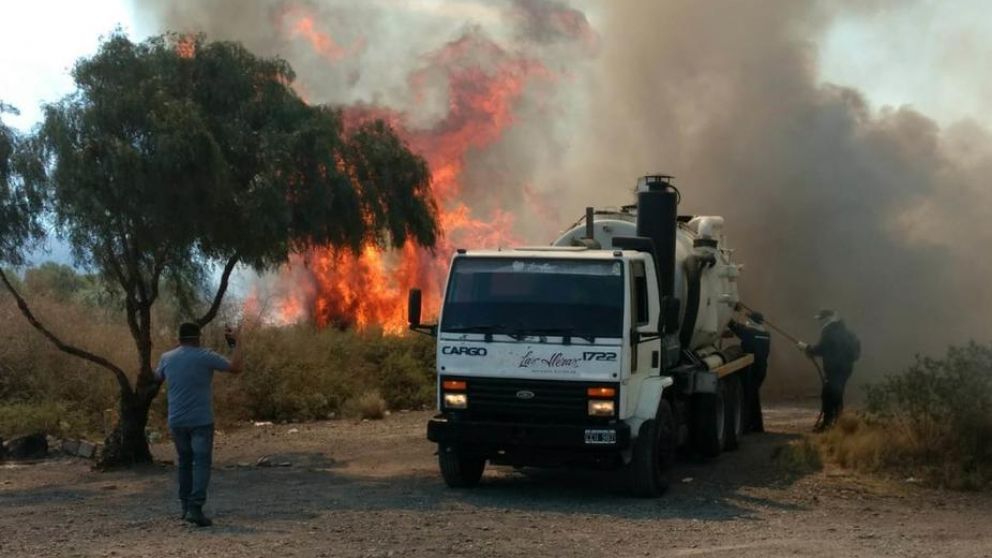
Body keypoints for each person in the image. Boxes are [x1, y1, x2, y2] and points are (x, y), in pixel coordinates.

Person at [154, 322, 243, 527]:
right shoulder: (206, 356)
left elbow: (156, 378)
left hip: (176, 421)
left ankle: (185, 507)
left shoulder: (166, 358)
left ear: (179, 338)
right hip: (201, 421)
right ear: (198, 337)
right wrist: (237, 342)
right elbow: (236, 367)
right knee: (201, 463)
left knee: (184, 463)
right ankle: (195, 508)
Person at [798, 309, 860, 431]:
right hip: (846, 369)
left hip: (834, 369)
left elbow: (822, 348)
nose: (819, 322)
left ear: (826, 319)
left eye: (820, 319)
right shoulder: (847, 331)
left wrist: (807, 348)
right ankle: (838, 424)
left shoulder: (829, 331)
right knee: (837, 394)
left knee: (828, 395)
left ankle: (828, 425)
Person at [728, 311, 771, 433]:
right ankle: (757, 426)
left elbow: (735, 327)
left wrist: (729, 313)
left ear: (752, 321)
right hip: (762, 369)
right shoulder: (766, 335)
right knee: (753, 396)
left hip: (751, 369)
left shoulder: (750, 333)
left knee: (747, 398)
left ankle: (747, 426)